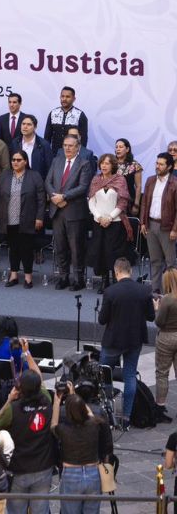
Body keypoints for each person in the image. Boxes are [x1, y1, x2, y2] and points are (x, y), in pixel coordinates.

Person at [98, 257, 155, 429]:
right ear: (130, 271)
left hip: (113, 341)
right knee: (130, 376)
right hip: (134, 340)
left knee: (103, 375)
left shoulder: (110, 292)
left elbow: (102, 320)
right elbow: (151, 316)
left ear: (116, 272)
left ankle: (105, 413)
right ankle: (126, 418)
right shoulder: (144, 291)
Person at [0, 367, 55, 514]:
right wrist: (27, 353)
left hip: (19, 468)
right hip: (43, 466)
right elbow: (39, 378)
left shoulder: (13, 409)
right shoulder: (47, 401)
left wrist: (9, 399)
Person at [0, 150, 46, 288]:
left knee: (26, 249)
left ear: (25, 162)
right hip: (8, 219)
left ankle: (28, 277)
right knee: (13, 248)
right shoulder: (5, 175)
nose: (15, 162)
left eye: (19, 160)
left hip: (28, 219)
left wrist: (39, 217)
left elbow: (41, 199)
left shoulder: (34, 176)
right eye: (13, 160)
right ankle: (13, 275)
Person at [45, 133, 93, 291]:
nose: (67, 148)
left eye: (70, 145)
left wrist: (64, 196)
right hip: (57, 211)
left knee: (76, 248)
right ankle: (63, 277)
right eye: (65, 145)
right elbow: (48, 181)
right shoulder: (56, 161)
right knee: (60, 247)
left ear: (78, 147)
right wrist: (55, 197)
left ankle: (78, 280)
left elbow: (83, 187)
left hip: (74, 212)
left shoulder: (84, 163)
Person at [51, 389, 103, 514]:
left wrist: (57, 402)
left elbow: (53, 425)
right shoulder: (94, 425)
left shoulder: (63, 430)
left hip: (71, 474)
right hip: (93, 473)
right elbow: (90, 414)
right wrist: (74, 394)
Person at [87, 154, 132, 292]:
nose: (104, 166)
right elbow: (91, 201)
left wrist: (110, 217)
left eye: (107, 163)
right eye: (102, 163)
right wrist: (99, 217)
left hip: (115, 223)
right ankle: (104, 282)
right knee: (100, 252)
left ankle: (116, 281)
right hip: (98, 222)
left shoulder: (120, 180)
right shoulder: (95, 180)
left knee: (113, 253)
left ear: (113, 165)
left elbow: (122, 202)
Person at [140, 152, 177, 293]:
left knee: (170, 263)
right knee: (155, 261)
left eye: (161, 164)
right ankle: (155, 291)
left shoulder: (174, 183)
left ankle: (171, 292)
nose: (157, 166)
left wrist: (175, 229)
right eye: (157, 163)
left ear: (169, 167)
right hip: (151, 225)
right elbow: (144, 203)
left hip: (167, 227)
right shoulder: (150, 180)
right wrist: (143, 222)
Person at [155, 267, 177, 414]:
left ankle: (160, 406)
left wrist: (157, 308)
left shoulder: (167, 300)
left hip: (166, 338)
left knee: (162, 373)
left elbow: (159, 322)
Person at [45, 85, 89, 151]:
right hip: (55, 154)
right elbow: (47, 136)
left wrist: (80, 155)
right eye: (62, 96)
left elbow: (83, 138)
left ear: (74, 99)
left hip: (73, 154)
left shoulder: (80, 115)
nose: (64, 99)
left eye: (68, 97)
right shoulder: (53, 113)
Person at [11, 114, 53, 181]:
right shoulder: (15, 143)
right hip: (18, 181)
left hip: (37, 183)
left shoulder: (44, 145)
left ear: (35, 127)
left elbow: (49, 168)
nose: (25, 126)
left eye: (29, 124)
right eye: (23, 124)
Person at [115, 138, 143, 216]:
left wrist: (136, 204)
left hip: (129, 201)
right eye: (116, 147)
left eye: (120, 147)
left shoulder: (135, 165)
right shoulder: (111, 163)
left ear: (127, 149)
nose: (118, 149)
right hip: (112, 201)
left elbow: (138, 186)